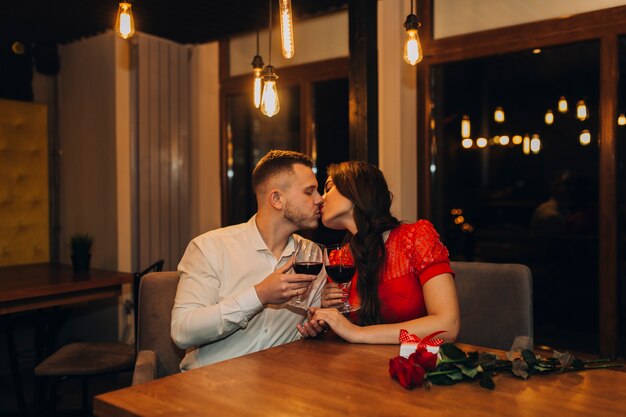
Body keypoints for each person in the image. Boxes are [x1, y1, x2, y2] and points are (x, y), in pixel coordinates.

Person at [172, 150, 326, 370]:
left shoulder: (312, 255)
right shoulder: (210, 247)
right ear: (277, 199)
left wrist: (315, 325)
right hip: (209, 385)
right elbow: (182, 332)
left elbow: (314, 319)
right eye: (309, 191)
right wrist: (259, 295)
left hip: (283, 387)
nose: (320, 199)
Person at [297, 161, 460, 344]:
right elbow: (346, 330)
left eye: (328, 188)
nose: (320, 199)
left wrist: (355, 333)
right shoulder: (340, 259)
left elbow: (448, 326)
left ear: (357, 190)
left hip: (415, 363)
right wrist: (326, 321)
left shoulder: (415, 238)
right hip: (361, 364)